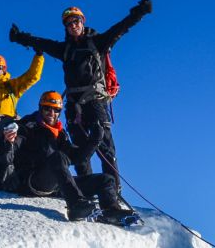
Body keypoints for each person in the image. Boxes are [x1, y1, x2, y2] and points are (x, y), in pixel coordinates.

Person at [8, 0, 150, 181]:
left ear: (82, 22)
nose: (73, 25)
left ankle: (113, 189)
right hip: (74, 105)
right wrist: (20, 38)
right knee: (80, 149)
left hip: (95, 101)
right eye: (69, 23)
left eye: (76, 21)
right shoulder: (64, 49)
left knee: (105, 145)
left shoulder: (98, 42)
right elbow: (41, 42)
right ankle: (87, 188)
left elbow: (121, 28)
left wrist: (140, 11)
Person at [7, 91, 134, 223]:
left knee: (106, 179)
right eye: (47, 108)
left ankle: (111, 211)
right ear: (40, 108)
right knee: (58, 157)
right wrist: (9, 141)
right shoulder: (28, 126)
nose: (51, 113)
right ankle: (75, 206)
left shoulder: (60, 134)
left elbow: (77, 158)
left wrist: (94, 139)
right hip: (31, 181)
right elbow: (15, 144)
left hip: (56, 184)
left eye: (56, 110)